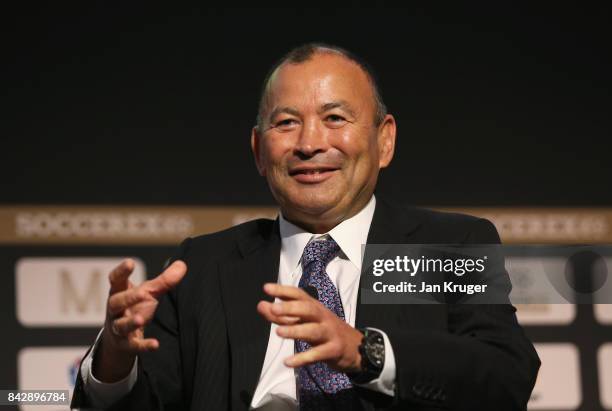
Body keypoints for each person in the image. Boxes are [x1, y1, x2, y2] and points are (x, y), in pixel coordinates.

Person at [71, 43, 540, 411]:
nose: (310, 143)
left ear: (384, 140)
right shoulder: (202, 265)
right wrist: (114, 358)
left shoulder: (448, 247)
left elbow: (504, 378)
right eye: (286, 123)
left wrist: (365, 352)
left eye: (335, 118)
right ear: (258, 150)